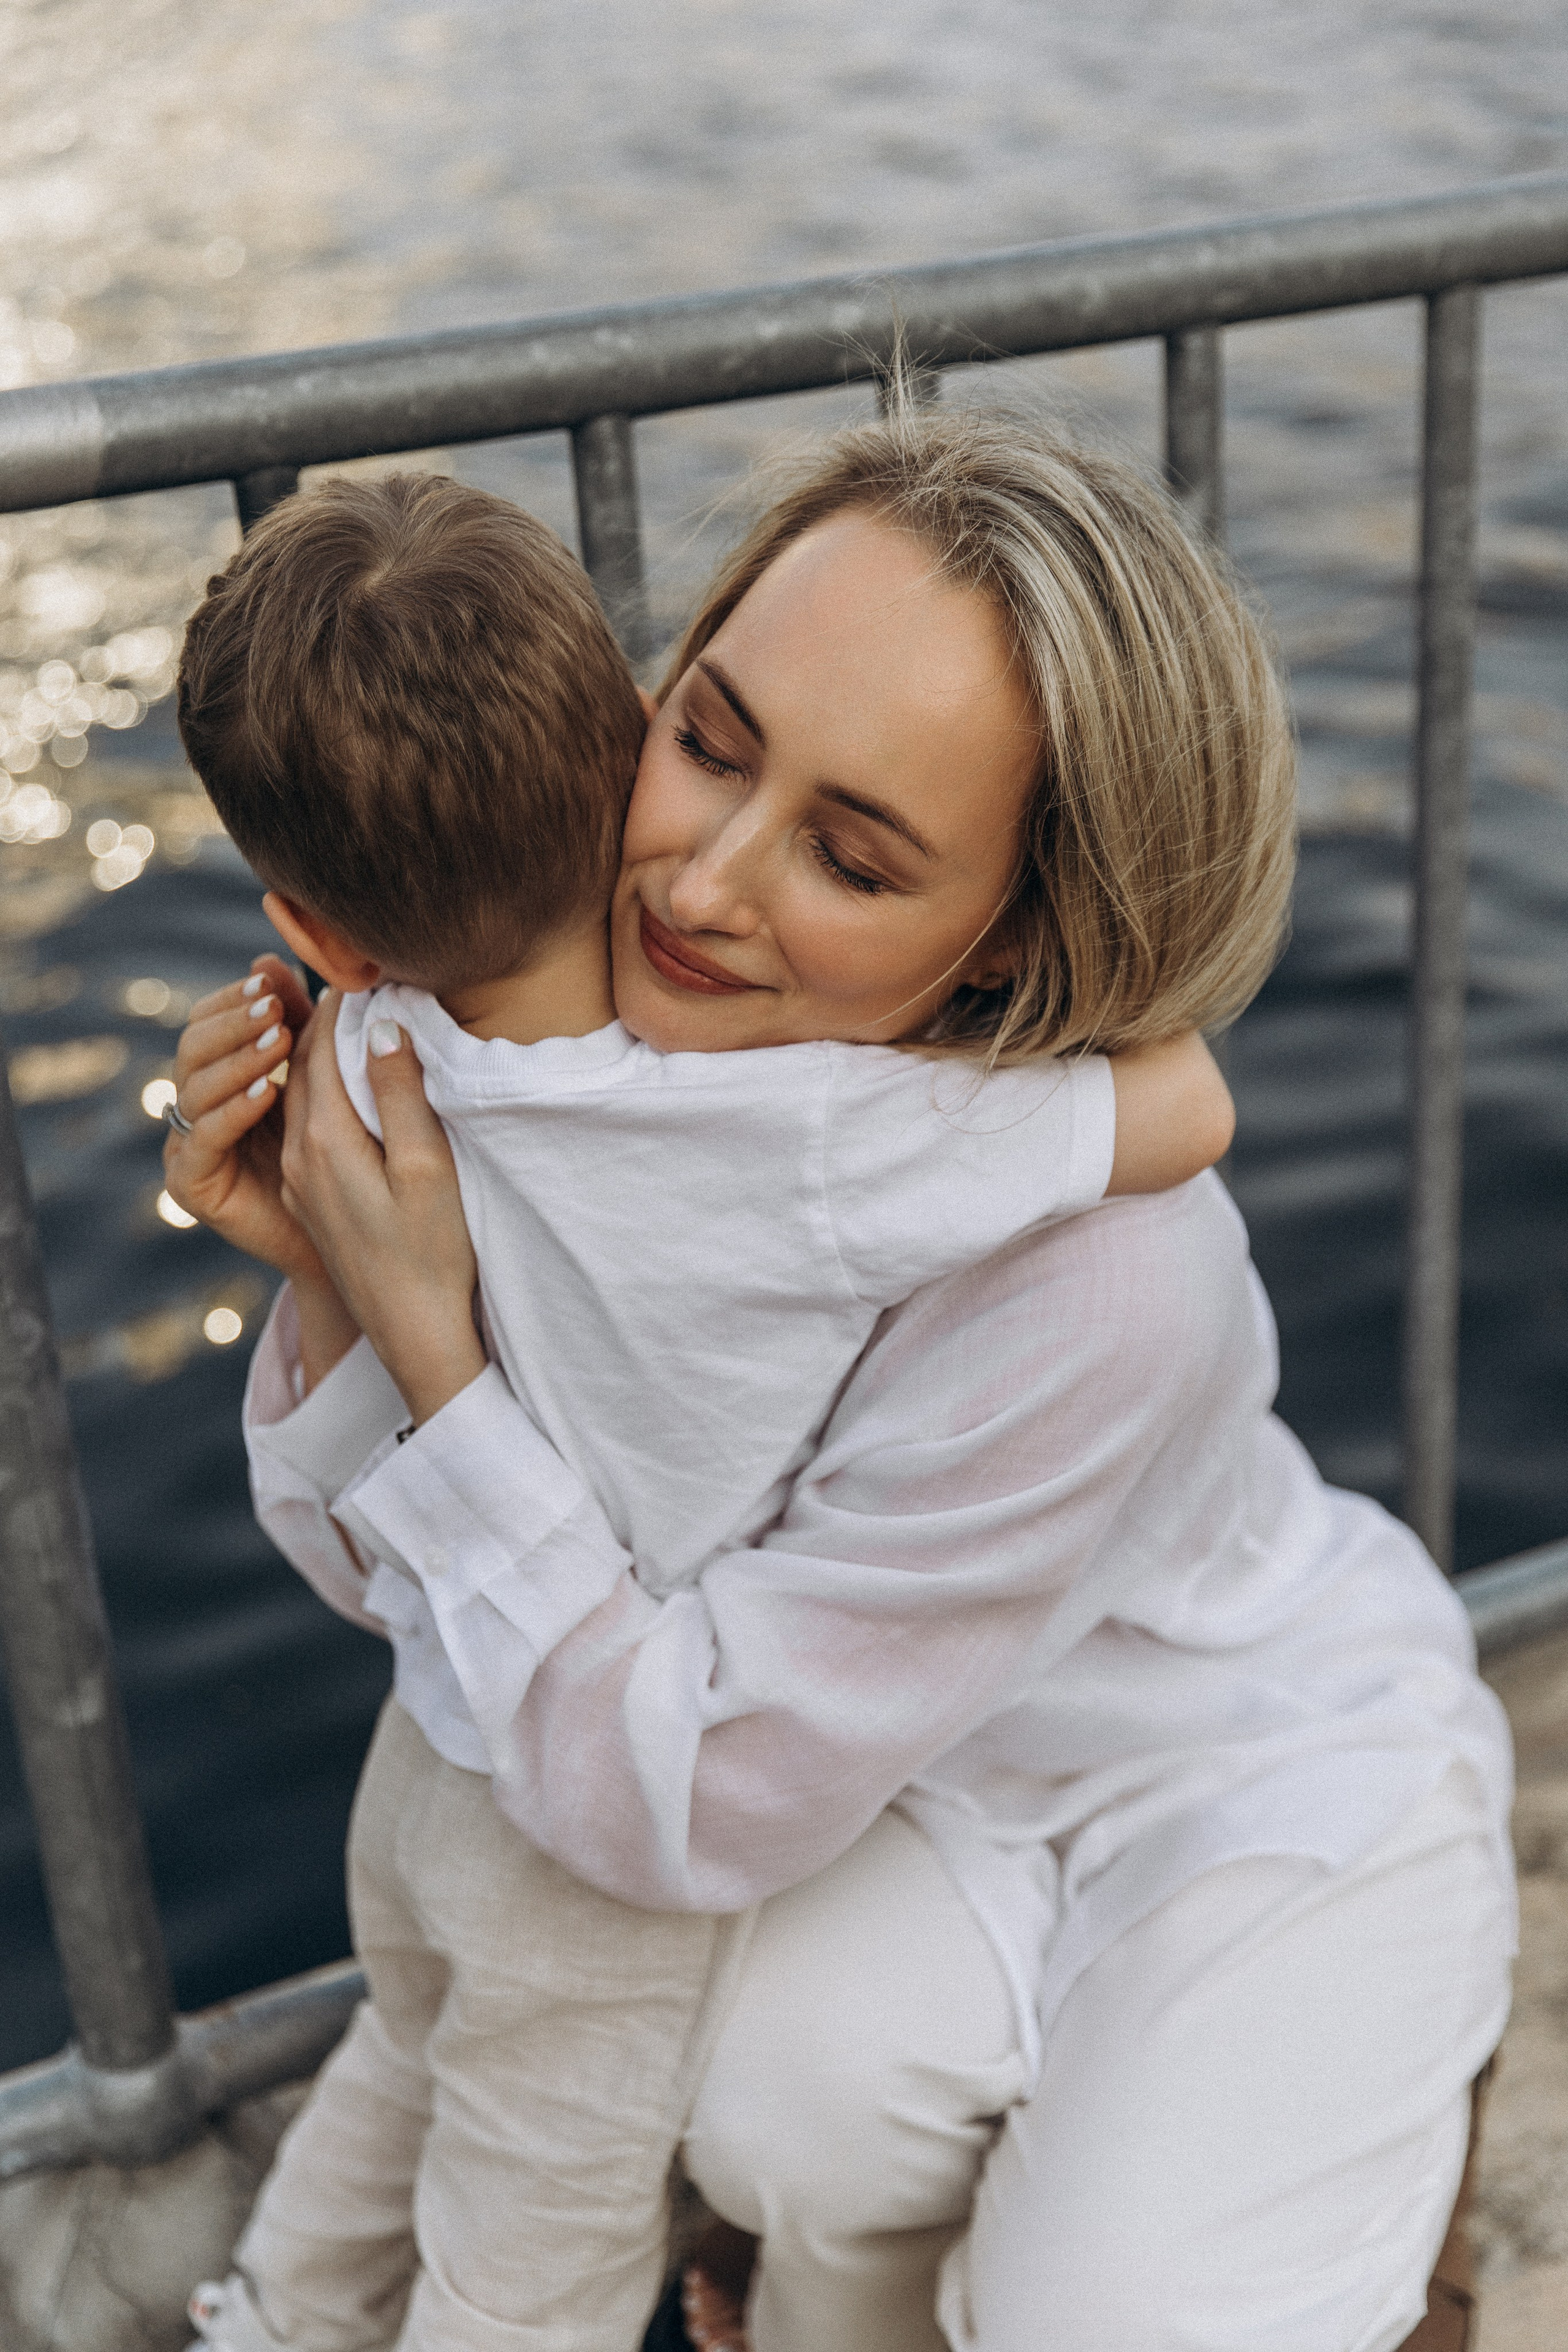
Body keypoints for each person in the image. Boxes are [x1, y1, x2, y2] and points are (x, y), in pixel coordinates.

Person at [168, 406, 1513, 2352]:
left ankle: (1360, 2192)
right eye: (708, 737)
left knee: (1120, 2322)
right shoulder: (548, 1073)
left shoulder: (1095, 1274)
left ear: (1016, 933)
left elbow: (676, 1782)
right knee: (771, 2118)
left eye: (856, 857)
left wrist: (441, 1356)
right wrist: (336, 1288)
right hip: (882, 1780)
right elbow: (410, 1595)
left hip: (1219, 1758)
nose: (696, 886)